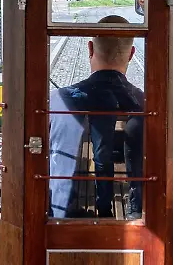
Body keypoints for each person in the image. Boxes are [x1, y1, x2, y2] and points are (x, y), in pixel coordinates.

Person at [48, 16, 145, 219]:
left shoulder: (57, 100)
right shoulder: (147, 103)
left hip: (61, 222)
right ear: (131, 54)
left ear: (90, 49)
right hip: (141, 225)